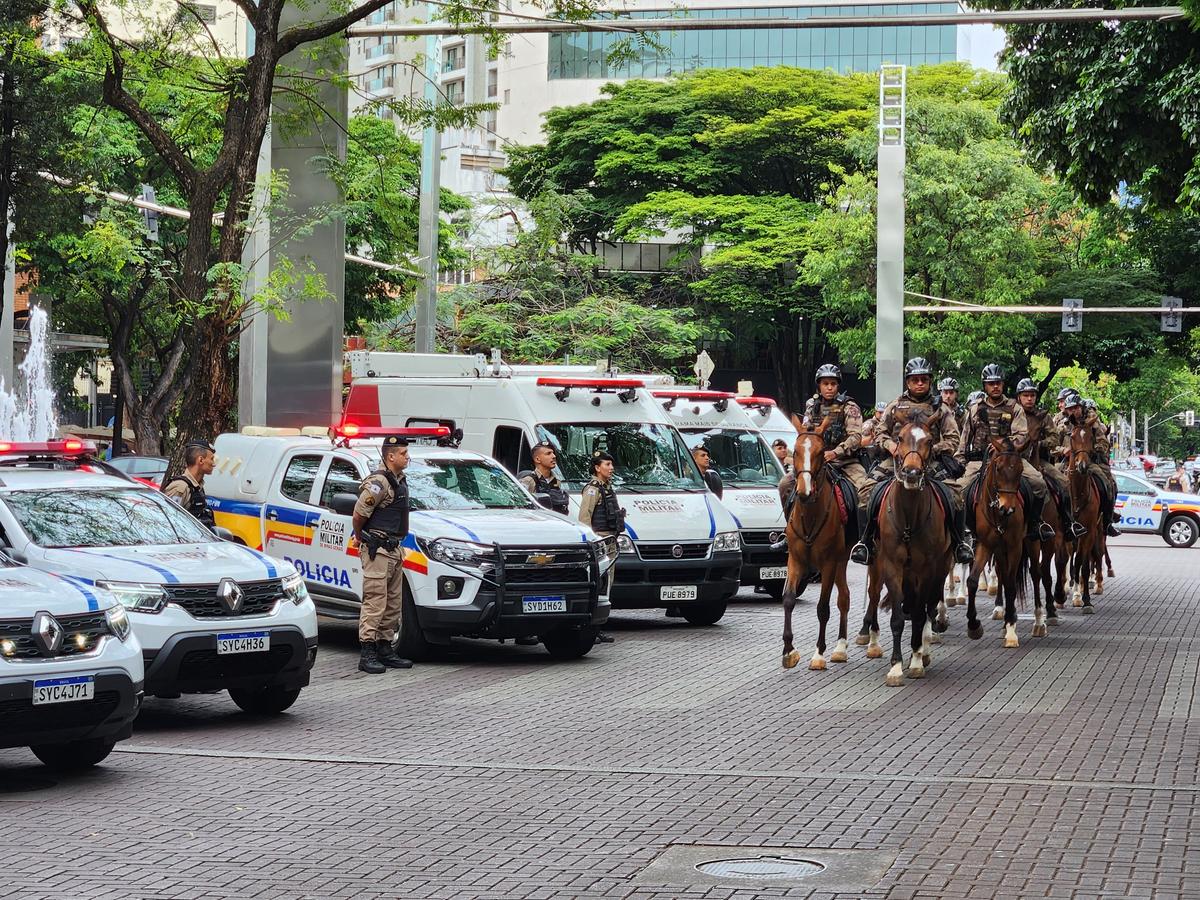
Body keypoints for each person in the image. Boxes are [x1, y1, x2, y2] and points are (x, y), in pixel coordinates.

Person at [851, 357, 973, 565]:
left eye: (923, 380)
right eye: (915, 380)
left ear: (929, 382)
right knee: (865, 491)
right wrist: (892, 446)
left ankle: (959, 543)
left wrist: (928, 449)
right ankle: (866, 542)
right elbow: (880, 433)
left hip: (929, 460)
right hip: (897, 459)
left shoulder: (941, 408)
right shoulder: (895, 406)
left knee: (956, 494)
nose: (919, 383)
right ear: (907, 382)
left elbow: (953, 439)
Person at [952, 364, 1054, 544]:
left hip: (1009, 460)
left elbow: (1022, 436)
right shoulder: (975, 408)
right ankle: (963, 532)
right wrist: (960, 458)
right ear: (985, 386)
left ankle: (1035, 524)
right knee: (958, 491)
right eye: (991, 383)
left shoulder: (1014, 407)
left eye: (998, 383)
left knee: (1039, 483)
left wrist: (1002, 446)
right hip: (979, 461)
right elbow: (965, 436)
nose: (995, 387)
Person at [780, 364, 870, 536]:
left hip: (845, 461)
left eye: (833, 384)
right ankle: (789, 532)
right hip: (816, 460)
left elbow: (855, 438)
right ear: (819, 386)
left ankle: (864, 540)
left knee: (866, 490)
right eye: (825, 383)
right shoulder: (811, 405)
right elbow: (807, 432)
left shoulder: (849, 407)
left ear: (838, 386)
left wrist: (835, 452)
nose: (829, 387)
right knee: (785, 485)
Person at [352, 434, 414, 674]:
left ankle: (385, 648)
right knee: (375, 600)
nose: (408, 457)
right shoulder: (379, 483)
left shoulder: (399, 481)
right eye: (403, 453)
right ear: (390, 456)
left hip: (394, 549)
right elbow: (359, 515)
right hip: (377, 549)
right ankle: (367, 652)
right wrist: (363, 538)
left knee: (393, 602)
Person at [1016, 378, 1086, 538]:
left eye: (1032, 395)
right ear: (1019, 396)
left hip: (1038, 461)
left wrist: (1038, 444)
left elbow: (1053, 438)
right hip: (1012, 460)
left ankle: (1068, 524)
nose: (1029, 398)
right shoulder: (1010, 413)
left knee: (1064, 483)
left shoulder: (1043, 417)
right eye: (1026, 395)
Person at [1058, 393, 1121, 537]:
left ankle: (1107, 520)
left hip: (1090, 461)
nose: (1073, 411)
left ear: (1081, 407)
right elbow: (1053, 445)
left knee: (1108, 484)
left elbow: (1103, 441)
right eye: (1070, 408)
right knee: (1053, 484)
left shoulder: (1092, 421)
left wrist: (1092, 449)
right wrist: (1063, 450)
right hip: (1066, 461)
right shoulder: (1063, 425)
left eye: (1076, 408)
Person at [163, 440, 217, 530]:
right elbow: (167, 521)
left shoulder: (197, 487)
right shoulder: (180, 488)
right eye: (211, 459)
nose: (214, 464)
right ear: (200, 460)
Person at [577, 451, 625, 536]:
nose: (612, 468)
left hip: (611, 537)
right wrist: (590, 537)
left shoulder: (607, 487)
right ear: (597, 468)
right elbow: (584, 516)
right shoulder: (593, 489)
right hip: (600, 538)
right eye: (607, 464)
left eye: (612, 464)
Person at [518, 441, 570, 514]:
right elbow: (520, 507)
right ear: (537, 459)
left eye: (553, 453)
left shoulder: (556, 481)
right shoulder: (528, 480)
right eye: (548, 453)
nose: (554, 456)